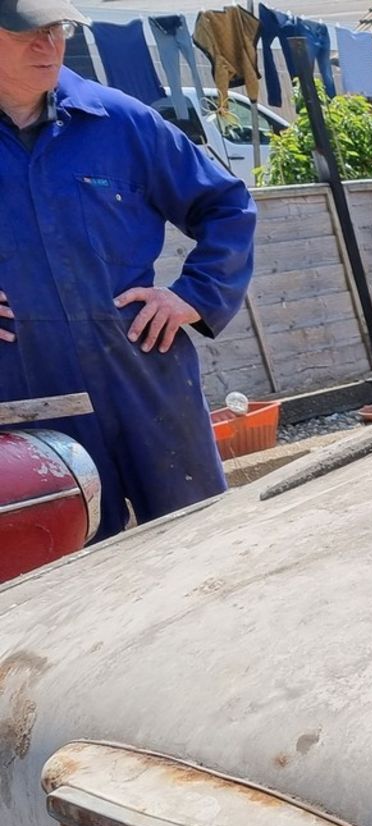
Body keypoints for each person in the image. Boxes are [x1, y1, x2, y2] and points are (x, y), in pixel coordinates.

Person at [0, 0, 256, 541]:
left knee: (198, 543)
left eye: (57, 31)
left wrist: (196, 294)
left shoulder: (121, 122)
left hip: (145, 379)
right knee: (64, 565)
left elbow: (227, 206)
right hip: (24, 396)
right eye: (29, 35)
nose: (48, 47)